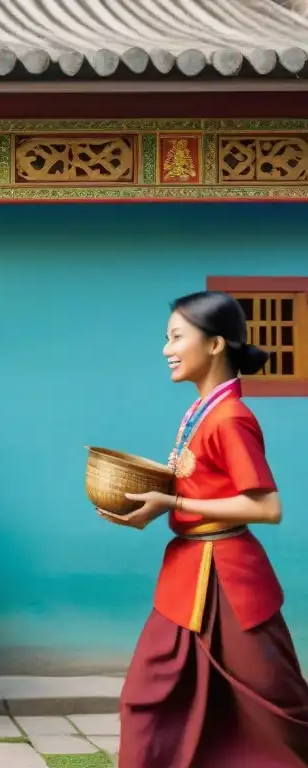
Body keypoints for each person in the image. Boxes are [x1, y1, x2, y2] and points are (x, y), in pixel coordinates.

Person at [97, 291, 308, 767]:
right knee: (153, 696)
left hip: (228, 578)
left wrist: (172, 499)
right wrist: (155, 507)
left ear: (214, 344)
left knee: (273, 703)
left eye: (175, 337)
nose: (165, 349)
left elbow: (267, 506)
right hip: (189, 572)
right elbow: (205, 487)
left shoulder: (231, 418)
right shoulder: (204, 413)